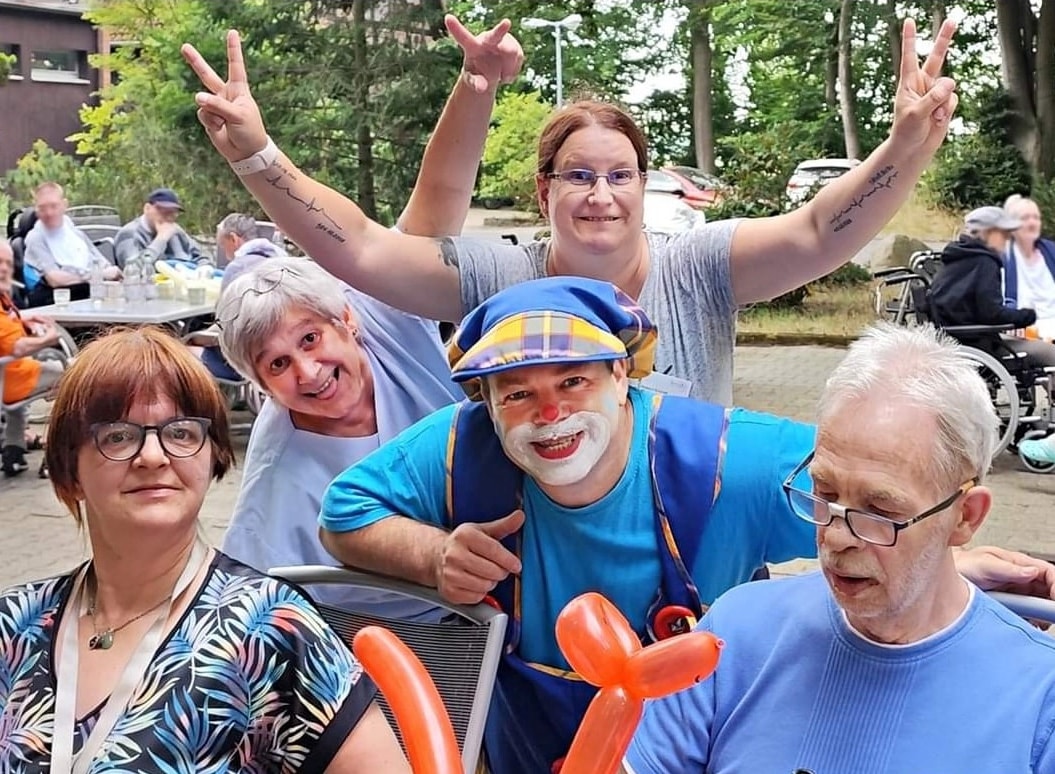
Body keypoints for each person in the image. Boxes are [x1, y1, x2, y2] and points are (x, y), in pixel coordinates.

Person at [317, 277, 1055, 774]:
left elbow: (890, 489)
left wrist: (949, 567)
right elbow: (342, 513)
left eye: (572, 381)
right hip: (525, 741)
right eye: (516, 393)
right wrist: (431, 551)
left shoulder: (733, 459)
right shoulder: (457, 444)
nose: (548, 414)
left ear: (622, 377)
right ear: (486, 400)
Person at [183, 16, 958, 405]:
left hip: (693, 580)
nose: (599, 194)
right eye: (577, 175)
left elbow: (820, 229)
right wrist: (256, 154)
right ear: (544, 190)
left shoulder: (696, 267)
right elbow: (359, 247)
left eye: (620, 174)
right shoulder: (499, 273)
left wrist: (906, 147)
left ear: (642, 185)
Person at [624, 323, 1055, 774]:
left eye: (878, 509)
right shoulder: (734, 634)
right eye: (824, 493)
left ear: (965, 517)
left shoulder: (1037, 698)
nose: (835, 536)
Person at [0, 326, 409, 773]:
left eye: (180, 432)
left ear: (211, 456)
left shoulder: (271, 627)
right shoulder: (14, 625)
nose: (153, 456)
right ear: (69, 471)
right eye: (117, 436)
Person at [928, 205, 1055, 372]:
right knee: (1050, 353)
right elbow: (992, 313)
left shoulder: (957, 257)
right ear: (988, 233)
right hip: (981, 346)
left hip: (957, 340)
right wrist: (1027, 316)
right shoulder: (984, 263)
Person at [186, 212, 289, 382]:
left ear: (233, 239)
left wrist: (195, 337)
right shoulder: (279, 260)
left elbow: (224, 325)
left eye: (222, 244)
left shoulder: (237, 268)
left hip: (243, 362)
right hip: (276, 350)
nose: (223, 250)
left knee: (181, 350)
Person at [0, 238, 66, 477]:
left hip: (7, 378)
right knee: (73, 380)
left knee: (18, 396)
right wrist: (47, 339)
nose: (5, 268)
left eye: (8, 262)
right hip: (11, 379)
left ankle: (13, 453)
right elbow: (16, 348)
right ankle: (55, 455)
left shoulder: (3, 299)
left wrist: (22, 320)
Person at [22, 181, 121, 307]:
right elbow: (55, 280)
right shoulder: (35, 238)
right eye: (43, 208)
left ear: (64, 205)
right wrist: (97, 275)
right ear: (36, 210)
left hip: (89, 296)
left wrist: (110, 273)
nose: (49, 213)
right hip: (55, 302)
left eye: (53, 206)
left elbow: (102, 262)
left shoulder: (73, 231)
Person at [113, 187, 207, 268]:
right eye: (163, 211)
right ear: (147, 208)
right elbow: (133, 270)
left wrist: (205, 268)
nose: (168, 217)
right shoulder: (129, 234)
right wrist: (161, 239)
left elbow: (200, 256)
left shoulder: (176, 230)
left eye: (173, 212)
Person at [1004, 193, 1055, 328]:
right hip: (1023, 329)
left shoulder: (1051, 252)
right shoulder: (1001, 257)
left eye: (1036, 218)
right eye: (1025, 218)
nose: (1032, 223)